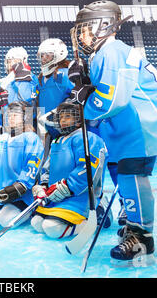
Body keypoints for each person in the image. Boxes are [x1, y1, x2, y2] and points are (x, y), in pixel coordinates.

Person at [68, 0, 157, 264]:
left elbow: (112, 101)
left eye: (85, 28)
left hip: (143, 123)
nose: (81, 34)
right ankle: (132, 220)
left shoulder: (112, 52)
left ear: (103, 25)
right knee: (116, 166)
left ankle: (143, 236)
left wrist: (83, 104)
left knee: (131, 172)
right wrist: (85, 84)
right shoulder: (103, 53)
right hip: (128, 123)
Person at [31, 102, 111, 239]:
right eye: (61, 118)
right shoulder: (57, 141)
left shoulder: (88, 138)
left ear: (79, 119)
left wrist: (67, 187)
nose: (63, 121)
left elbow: (87, 169)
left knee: (52, 228)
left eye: (67, 117)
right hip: (55, 197)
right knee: (37, 223)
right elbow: (48, 168)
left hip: (79, 197)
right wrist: (43, 186)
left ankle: (99, 212)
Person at [0, 101, 44, 227]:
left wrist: (20, 187)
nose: (11, 118)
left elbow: (32, 166)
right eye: (9, 115)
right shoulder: (2, 139)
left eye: (15, 115)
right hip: (1, 192)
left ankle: (30, 210)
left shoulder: (31, 138)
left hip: (22, 195)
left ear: (25, 117)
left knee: (5, 220)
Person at [35, 38, 75, 140]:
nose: (43, 59)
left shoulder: (66, 75)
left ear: (58, 54)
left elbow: (77, 99)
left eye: (47, 55)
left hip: (67, 130)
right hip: (49, 131)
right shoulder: (41, 79)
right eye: (42, 56)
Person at [0, 47, 38, 114]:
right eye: (9, 61)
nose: (11, 65)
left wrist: (28, 122)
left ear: (24, 62)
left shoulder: (32, 79)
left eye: (16, 61)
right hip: (7, 121)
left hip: (26, 121)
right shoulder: (1, 83)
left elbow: (35, 104)